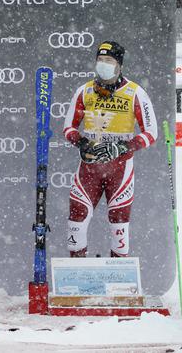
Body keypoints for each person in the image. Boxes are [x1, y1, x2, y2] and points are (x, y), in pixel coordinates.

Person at [62, 41, 157, 258]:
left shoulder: (134, 92)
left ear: (119, 65)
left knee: (119, 222)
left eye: (109, 60)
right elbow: (68, 127)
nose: (103, 64)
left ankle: (118, 280)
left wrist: (123, 147)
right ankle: (76, 274)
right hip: (89, 167)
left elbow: (151, 132)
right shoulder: (84, 91)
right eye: (100, 60)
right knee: (76, 219)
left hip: (120, 169)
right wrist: (81, 142)